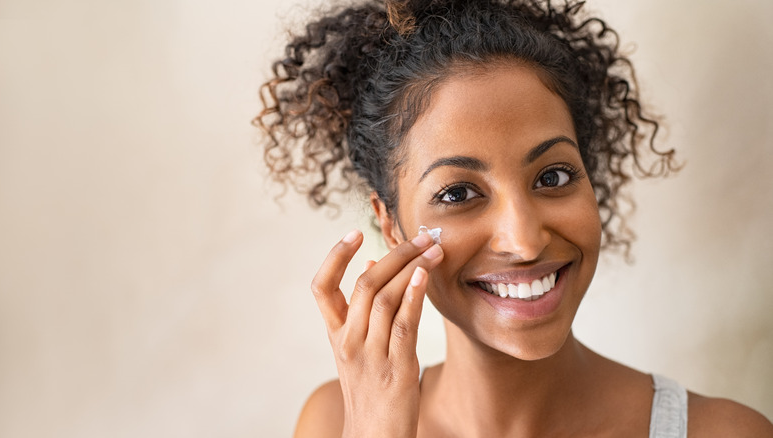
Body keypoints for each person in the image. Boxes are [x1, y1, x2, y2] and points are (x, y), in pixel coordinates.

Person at [255, 0, 773, 436]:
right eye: (458, 192)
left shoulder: (722, 432)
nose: (524, 241)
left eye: (553, 177)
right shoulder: (334, 422)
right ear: (391, 224)